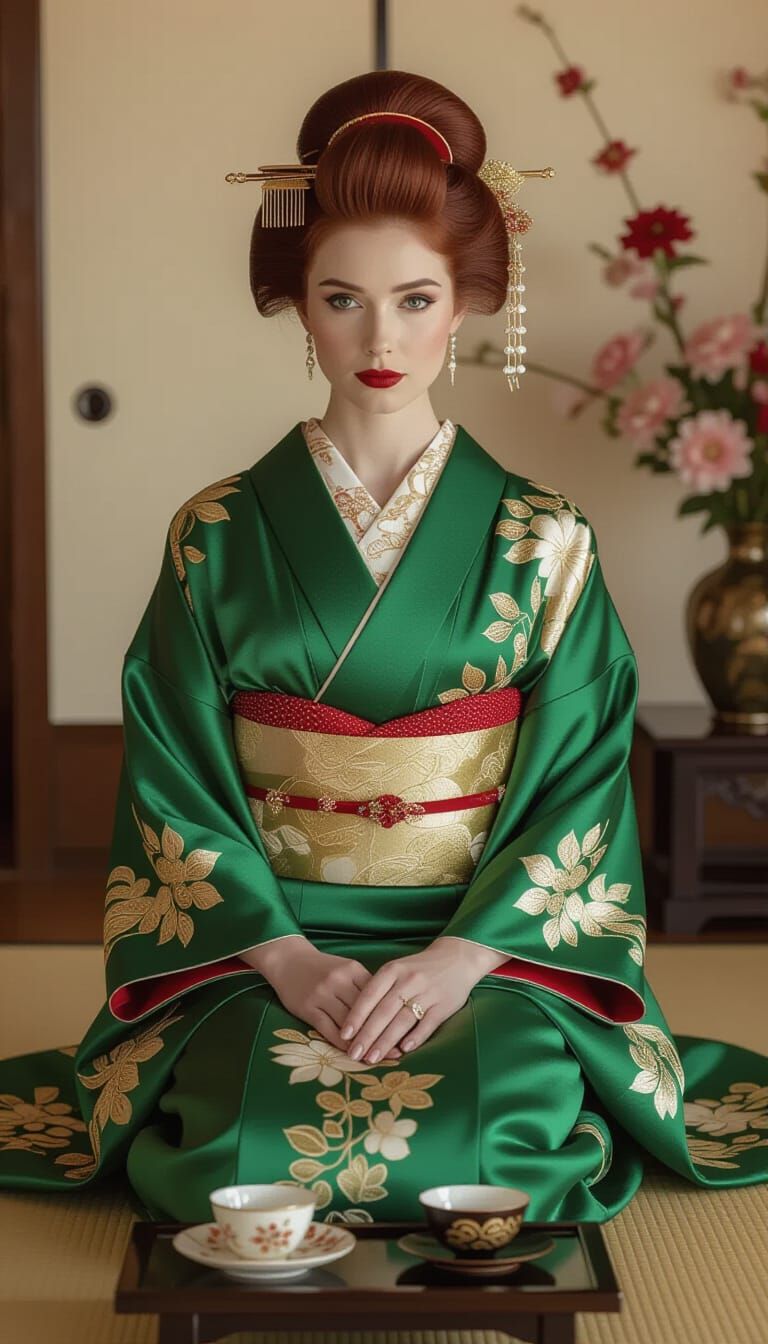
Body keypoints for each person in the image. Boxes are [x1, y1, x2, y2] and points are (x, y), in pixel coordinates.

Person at [0, 69, 766, 1226]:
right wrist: (284, 958)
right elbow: (174, 773)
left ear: (465, 303)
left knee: (492, 1141)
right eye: (342, 299)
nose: (380, 336)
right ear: (300, 308)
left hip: (485, 949)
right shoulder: (218, 534)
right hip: (268, 945)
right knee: (241, 1149)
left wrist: (463, 957)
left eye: (415, 299)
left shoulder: (545, 538)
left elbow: (581, 785)